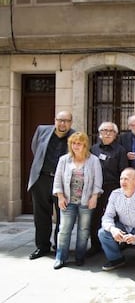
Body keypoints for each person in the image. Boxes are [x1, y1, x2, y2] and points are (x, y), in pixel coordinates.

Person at [27, 111, 75, 260]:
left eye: (66, 121)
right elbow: (36, 149)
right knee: (41, 216)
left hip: (63, 183)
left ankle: (59, 247)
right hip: (41, 179)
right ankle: (42, 247)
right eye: (60, 120)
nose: (63, 124)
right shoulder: (42, 130)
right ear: (55, 120)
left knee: (63, 216)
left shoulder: (75, 136)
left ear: (71, 123)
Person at [52, 132, 103, 269]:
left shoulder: (93, 160)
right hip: (68, 201)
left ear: (85, 145)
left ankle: (80, 257)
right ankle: (60, 257)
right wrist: (60, 196)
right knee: (64, 230)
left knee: (83, 230)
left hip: (86, 202)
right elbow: (57, 180)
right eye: (73, 143)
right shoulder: (64, 160)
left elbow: (98, 182)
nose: (76, 146)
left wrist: (94, 197)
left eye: (79, 143)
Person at [98, 168, 135, 271]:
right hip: (124, 226)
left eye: (126, 179)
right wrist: (113, 229)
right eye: (121, 179)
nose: (123, 182)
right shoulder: (115, 194)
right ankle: (116, 259)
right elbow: (107, 216)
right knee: (103, 233)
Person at [88, 122, 128, 257]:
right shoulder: (93, 149)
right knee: (94, 217)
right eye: (104, 130)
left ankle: (115, 245)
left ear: (115, 134)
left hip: (113, 188)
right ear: (100, 133)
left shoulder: (120, 150)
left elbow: (123, 171)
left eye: (111, 131)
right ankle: (95, 245)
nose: (107, 133)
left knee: (114, 218)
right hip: (95, 189)